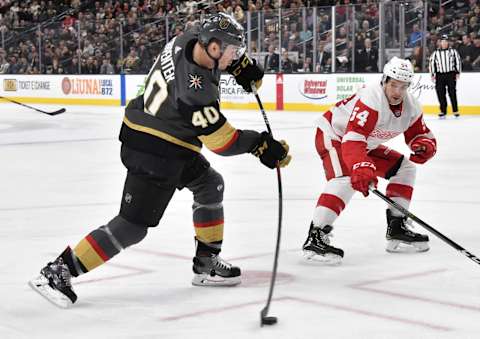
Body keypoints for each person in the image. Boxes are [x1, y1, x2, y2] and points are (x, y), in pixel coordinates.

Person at [29, 12, 291, 308]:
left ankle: (206, 262)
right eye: (232, 51)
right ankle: (58, 271)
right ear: (214, 48)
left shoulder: (189, 38)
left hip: (164, 137)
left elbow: (211, 54)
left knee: (209, 184)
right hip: (154, 148)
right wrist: (260, 145)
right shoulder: (196, 92)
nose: (235, 56)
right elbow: (221, 141)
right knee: (132, 226)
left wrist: (240, 66)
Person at [302, 57, 436, 264]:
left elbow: (419, 133)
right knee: (345, 178)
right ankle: (316, 236)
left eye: (403, 86)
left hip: (364, 144)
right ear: (384, 80)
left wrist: (424, 145)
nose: (397, 92)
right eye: (393, 85)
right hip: (334, 135)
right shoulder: (371, 99)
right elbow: (353, 137)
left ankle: (397, 226)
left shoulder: (412, 106)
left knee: (405, 169)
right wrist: (360, 165)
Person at [429, 34, 462, 118]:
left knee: (452, 92)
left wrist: (457, 72)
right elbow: (432, 64)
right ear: (440, 43)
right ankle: (443, 111)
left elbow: (457, 61)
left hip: (450, 74)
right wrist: (432, 74)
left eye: (446, 41)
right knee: (440, 93)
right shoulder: (435, 53)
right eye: (443, 41)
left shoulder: (453, 51)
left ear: (448, 42)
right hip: (440, 75)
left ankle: (455, 110)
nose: (444, 43)